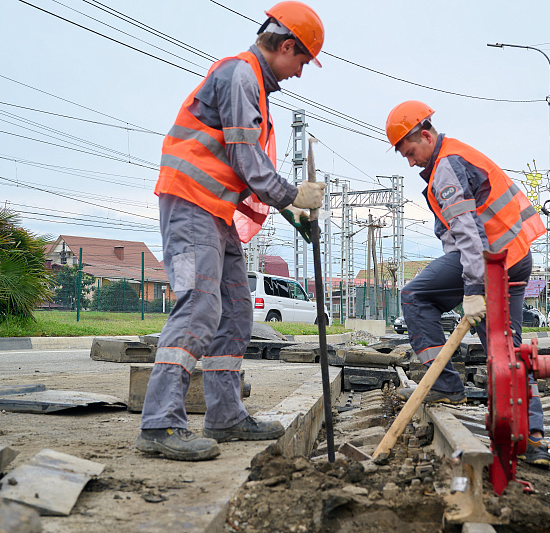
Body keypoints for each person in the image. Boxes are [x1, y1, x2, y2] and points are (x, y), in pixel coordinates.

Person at [136, 1, 326, 462]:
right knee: (200, 305)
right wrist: (292, 196)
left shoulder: (253, 85)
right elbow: (247, 159)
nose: (300, 73)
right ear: (285, 46)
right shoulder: (241, 75)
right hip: (190, 202)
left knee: (237, 311)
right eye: (302, 61)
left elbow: (243, 169)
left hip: (215, 211)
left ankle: (224, 415)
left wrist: (289, 209)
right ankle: (160, 424)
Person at [386, 100, 550, 467]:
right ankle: (534, 439)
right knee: (505, 350)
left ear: (425, 135)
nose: (410, 161)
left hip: (491, 260)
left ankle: (446, 386)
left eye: (410, 152)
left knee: (414, 296)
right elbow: (459, 234)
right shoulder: (456, 155)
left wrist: (473, 289)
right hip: (514, 256)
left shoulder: (445, 166)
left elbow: (468, 233)